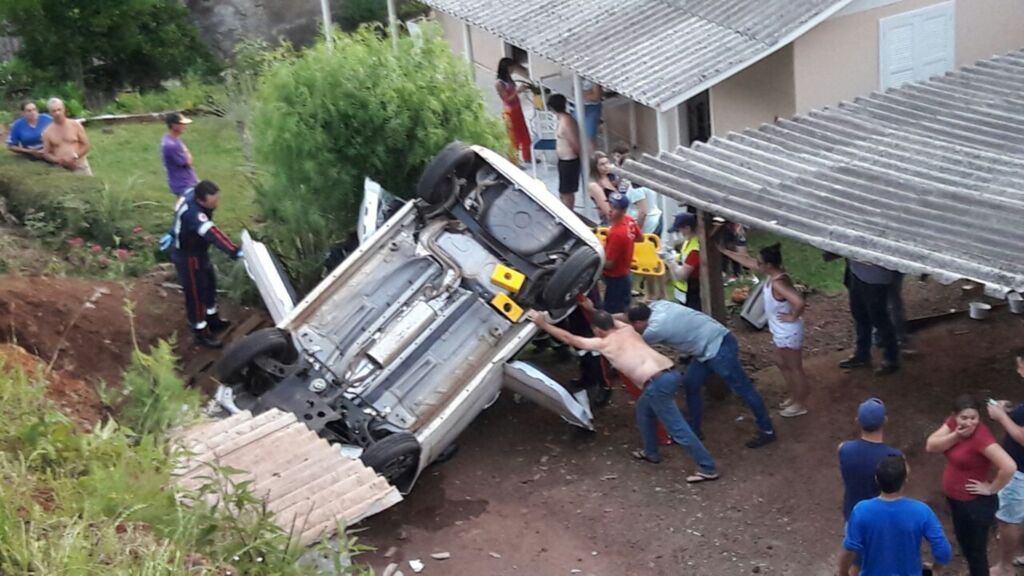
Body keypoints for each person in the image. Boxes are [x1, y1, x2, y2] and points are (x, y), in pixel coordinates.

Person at [528, 308, 719, 482]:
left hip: (656, 383)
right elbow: (609, 319)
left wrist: (543, 324)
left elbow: (570, 339)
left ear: (597, 330)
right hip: (670, 373)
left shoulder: (603, 343)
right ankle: (650, 452)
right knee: (644, 410)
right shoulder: (627, 330)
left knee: (678, 428)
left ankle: (708, 467)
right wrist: (590, 308)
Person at [623, 301, 776, 449]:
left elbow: (631, 344)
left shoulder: (655, 330)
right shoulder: (659, 305)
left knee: (744, 389)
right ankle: (694, 429)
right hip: (711, 345)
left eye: (634, 325)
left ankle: (767, 430)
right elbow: (629, 318)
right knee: (691, 383)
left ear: (638, 322)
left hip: (718, 351)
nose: (634, 328)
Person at [926, 394, 1016, 576]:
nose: (969, 422)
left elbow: (1009, 466)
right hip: (956, 502)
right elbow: (931, 445)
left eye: (973, 418)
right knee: (966, 546)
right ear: (955, 416)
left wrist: (991, 488)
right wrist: (956, 436)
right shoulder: (953, 425)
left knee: (976, 555)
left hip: (973, 506)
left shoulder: (981, 438)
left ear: (979, 418)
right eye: (964, 417)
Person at [721, 243, 810, 417]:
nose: (757, 264)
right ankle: (793, 396)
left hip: (787, 331)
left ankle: (800, 402)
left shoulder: (778, 283)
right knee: (781, 362)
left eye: (760, 262)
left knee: (794, 368)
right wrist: (725, 251)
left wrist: (792, 316)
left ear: (768, 265)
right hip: (780, 330)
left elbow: (799, 302)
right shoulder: (772, 273)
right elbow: (747, 261)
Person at [839, 454, 952, 576]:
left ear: (876, 479)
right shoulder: (921, 511)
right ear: (905, 480)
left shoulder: (861, 510)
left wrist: (843, 573)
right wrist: (936, 569)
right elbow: (943, 550)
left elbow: (849, 549)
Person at [169, 180, 243, 348]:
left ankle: (212, 318)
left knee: (209, 284)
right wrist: (233, 250)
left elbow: (176, 213)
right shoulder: (195, 215)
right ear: (201, 200)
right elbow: (212, 234)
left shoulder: (190, 194)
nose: (215, 205)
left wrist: (172, 232)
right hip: (188, 257)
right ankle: (200, 332)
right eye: (212, 203)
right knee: (195, 293)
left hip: (199, 252)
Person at [984, 350, 1024, 576]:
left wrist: (1001, 417)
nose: (1018, 370)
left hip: (1019, 471)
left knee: (1007, 519)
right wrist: (1012, 408)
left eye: (1020, 366)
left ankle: (1005, 567)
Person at [839, 398, 904, 521]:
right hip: (881, 518)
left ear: (857, 421)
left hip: (853, 515)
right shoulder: (895, 457)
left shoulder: (843, 449)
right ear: (885, 421)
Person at [838, 260, 900, 376]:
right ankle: (862, 354)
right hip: (856, 272)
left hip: (876, 278)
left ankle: (891, 359)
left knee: (879, 318)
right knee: (859, 314)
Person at [601, 192, 639, 314]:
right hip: (626, 273)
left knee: (613, 312)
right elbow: (640, 238)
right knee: (625, 306)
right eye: (610, 206)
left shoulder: (616, 233)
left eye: (615, 208)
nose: (611, 210)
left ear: (623, 211)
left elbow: (609, 264)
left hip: (615, 277)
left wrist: (597, 256)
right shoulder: (630, 220)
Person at [495, 58, 532, 165]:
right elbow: (506, 99)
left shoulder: (508, 79)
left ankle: (527, 157)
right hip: (509, 112)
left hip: (517, 109)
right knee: (513, 138)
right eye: (511, 68)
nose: (512, 70)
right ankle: (514, 162)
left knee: (524, 134)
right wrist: (518, 92)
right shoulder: (499, 83)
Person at [41, 98, 91, 174]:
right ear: (50, 113)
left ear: (64, 109)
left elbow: (86, 145)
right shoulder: (47, 132)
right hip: (61, 169)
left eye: (59, 110)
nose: (57, 113)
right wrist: (58, 160)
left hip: (79, 165)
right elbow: (46, 153)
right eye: (54, 111)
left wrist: (75, 156)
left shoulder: (75, 125)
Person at [548, 94, 580, 211]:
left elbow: (575, 143)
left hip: (569, 161)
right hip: (564, 161)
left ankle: (569, 215)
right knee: (563, 192)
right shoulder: (562, 120)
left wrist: (578, 156)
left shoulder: (566, 122)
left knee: (567, 193)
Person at [664, 213, 701, 310]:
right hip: (683, 292)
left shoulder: (695, 249)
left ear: (687, 228)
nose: (679, 233)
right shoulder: (688, 241)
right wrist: (673, 254)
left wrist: (670, 260)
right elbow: (682, 258)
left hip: (692, 290)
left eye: (679, 230)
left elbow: (681, 275)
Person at [162, 112, 199, 196]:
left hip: (184, 182)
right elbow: (188, 162)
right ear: (174, 125)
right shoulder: (171, 145)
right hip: (183, 184)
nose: (185, 126)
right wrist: (187, 152)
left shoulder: (171, 139)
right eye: (182, 124)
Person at [586, 151, 615, 222]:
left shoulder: (610, 176)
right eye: (602, 164)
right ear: (595, 167)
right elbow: (607, 211)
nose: (606, 166)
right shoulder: (594, 185)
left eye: (607, 162)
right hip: (610, 220)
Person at [581, 79, 603, 148]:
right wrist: (589, 94)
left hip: (593, 107)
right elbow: (574, 91)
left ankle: (594, 156)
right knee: (577, 130)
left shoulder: (593, 79)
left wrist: (583, 94)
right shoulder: (579, 75)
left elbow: (596, 96)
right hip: (580, 105)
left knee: (590, 135)